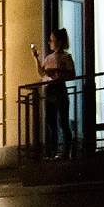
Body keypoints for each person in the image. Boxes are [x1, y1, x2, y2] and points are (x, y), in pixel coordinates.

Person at [33, 28, 77, 157]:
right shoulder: (48, 58)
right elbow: (42, 73)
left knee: (63, 121)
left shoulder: (66, 57)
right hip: (50, 89)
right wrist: (36, 58)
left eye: (52, 40)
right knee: (50, 122)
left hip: (59, 88)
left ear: (59, 42)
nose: (49, 42)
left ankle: (66, 150)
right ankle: (53, 151)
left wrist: (57, 72)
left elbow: (72, 74)